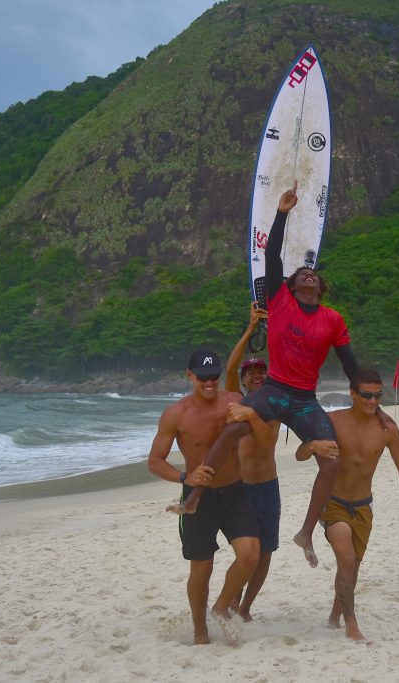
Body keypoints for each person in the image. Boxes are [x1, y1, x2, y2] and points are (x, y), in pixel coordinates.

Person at [170, 182, 365, 571]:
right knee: (231, 426)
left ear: (321, 287)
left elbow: (350, 363)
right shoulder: (279, 302)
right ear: (290, 286)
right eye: (302, 274)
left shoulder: (333, 319)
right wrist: (282, 212)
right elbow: (270, 255)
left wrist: (366, 396)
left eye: (314, 274)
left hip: (305, 399)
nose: (309, 275)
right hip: (274, 390)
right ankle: (194, 496)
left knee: (331, 458)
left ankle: (307, 531)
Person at [147, 349, 264, 645]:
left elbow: (263, 436)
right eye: (203, 377)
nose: (210, 383)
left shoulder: (235, 402)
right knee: (202, 567)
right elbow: (155, 461)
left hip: (236, 491)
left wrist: (251, 416)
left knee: (250, 554)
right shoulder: (176, 414)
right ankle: (200, 631)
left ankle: (222, 606)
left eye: (214, 377)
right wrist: (185, 477)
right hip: (198, 497)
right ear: (190, 376)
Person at [296, 367, 399, 642]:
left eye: (378, 396)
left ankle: (334, 617)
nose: (373, 402)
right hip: (334, 504)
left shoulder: (387, 429)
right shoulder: (332, 421)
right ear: (352, 394)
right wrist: (314, 444)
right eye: (366, 395)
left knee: (352, 568)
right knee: (347, 560)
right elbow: (300, 454)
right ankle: (352, 625)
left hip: (364, 506)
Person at [222, 303, 281, 621]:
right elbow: (229, 370)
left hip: (267, 486)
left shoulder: (273, 401)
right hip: (240, 488)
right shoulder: (235, 400)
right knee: (248, 553)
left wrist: (273, 329)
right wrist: (250, 328)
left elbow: (267, 441)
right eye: (252, 373)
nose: (257, 375)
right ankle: (231, 600)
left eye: (262, 371)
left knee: (266, 552)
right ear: (244, 380)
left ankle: (244, 607)